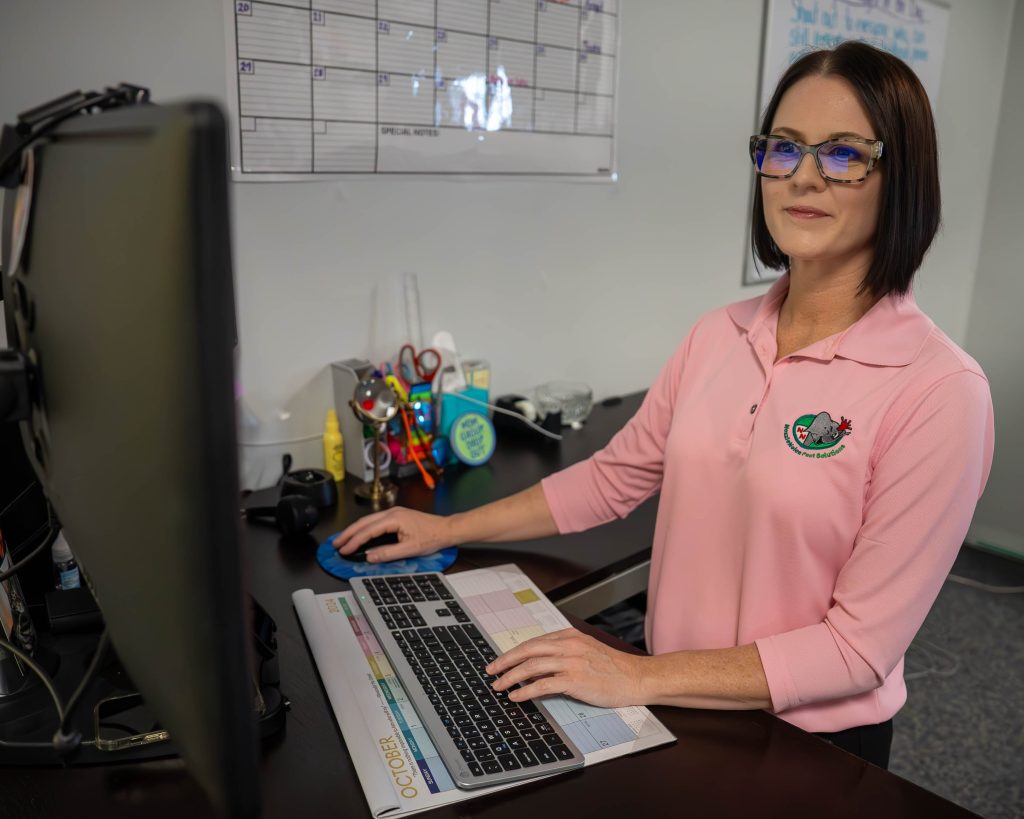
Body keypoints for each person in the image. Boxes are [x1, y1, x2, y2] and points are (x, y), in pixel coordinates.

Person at [334, 42, 994, 770]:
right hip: (671, 702)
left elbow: (856, 649)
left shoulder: (939, 391)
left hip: (806, 748)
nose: (803, 176)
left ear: (901, 177)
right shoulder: (720, 334)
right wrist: (445, 528)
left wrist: (635, 675)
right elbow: (611, 478)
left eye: (844, 154)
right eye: (784, 148)